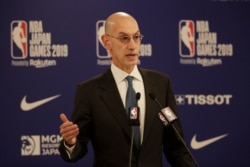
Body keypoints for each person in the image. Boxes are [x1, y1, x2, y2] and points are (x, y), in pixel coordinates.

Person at [59, 11, 196, 167]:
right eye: (124, 38)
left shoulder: (160, 85)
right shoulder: (90, 91)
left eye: (136, 37)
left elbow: (176, 146)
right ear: (106, 42)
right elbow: (78, 147)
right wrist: (70, 142)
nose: (132, 45)